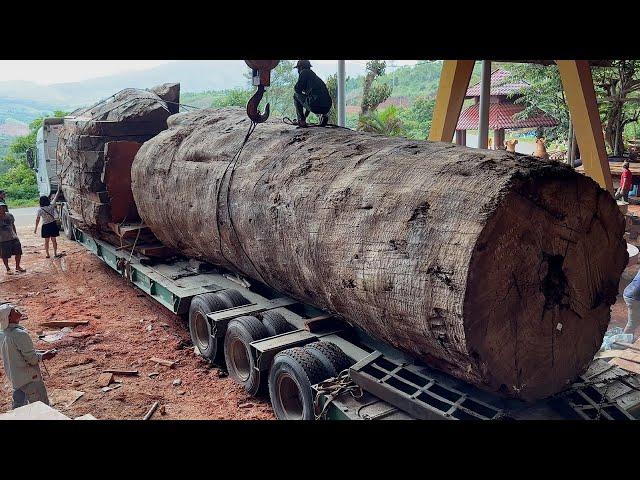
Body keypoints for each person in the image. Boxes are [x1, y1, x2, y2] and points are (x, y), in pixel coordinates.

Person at [0, 303, 56, 409]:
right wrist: (45, 356)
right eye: (14, 310)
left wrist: (40, 352)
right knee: (42, 407)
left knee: (19, 407)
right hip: (30, 378)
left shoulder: (3, 334)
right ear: (9, 317)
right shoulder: (20, 334)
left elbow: (17, 353)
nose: (17, 310)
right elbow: (32, 359)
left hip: (16, 378)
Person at [293, 60, 332, 128]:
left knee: (296, 95)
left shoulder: (304, 72)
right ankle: (324, 117)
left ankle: (301, 121)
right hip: (327, 107)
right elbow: (309, 99)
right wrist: (305, 116)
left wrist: (302, 118)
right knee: (313, 98)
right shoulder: (314, 78)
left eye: (298, 69)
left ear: (301, 67)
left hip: (315, 104)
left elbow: (297, 89)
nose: (298, 71)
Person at [0, 202, 25, 274]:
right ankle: (8, 269)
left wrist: (16, 234)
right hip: (3, 240)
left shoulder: (10, 215)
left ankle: (18, 267)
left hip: (13, 237)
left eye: (3, 207)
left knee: (18, 252)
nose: (2, 209)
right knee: (5, 255)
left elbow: (13, 225)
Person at [623, 268, 640, 338]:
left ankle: (628, 339)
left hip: (629, 292)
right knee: (632, 323)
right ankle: (625, 341)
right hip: (633, 298)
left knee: (633, 322)